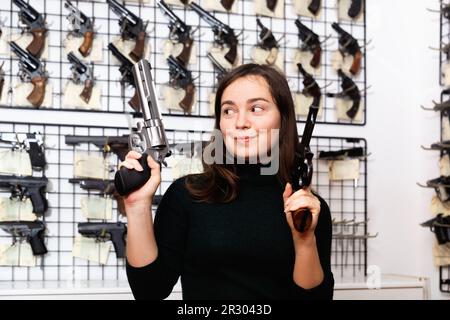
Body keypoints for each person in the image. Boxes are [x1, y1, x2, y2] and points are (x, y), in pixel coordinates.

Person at [121, 63, 334, 300]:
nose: (240, 122)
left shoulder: (307, 210)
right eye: (228, 111)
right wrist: (137, 206)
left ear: (283, 119)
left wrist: (304, 240)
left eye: (256, 108)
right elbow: (149, 290)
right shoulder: (186, 195)